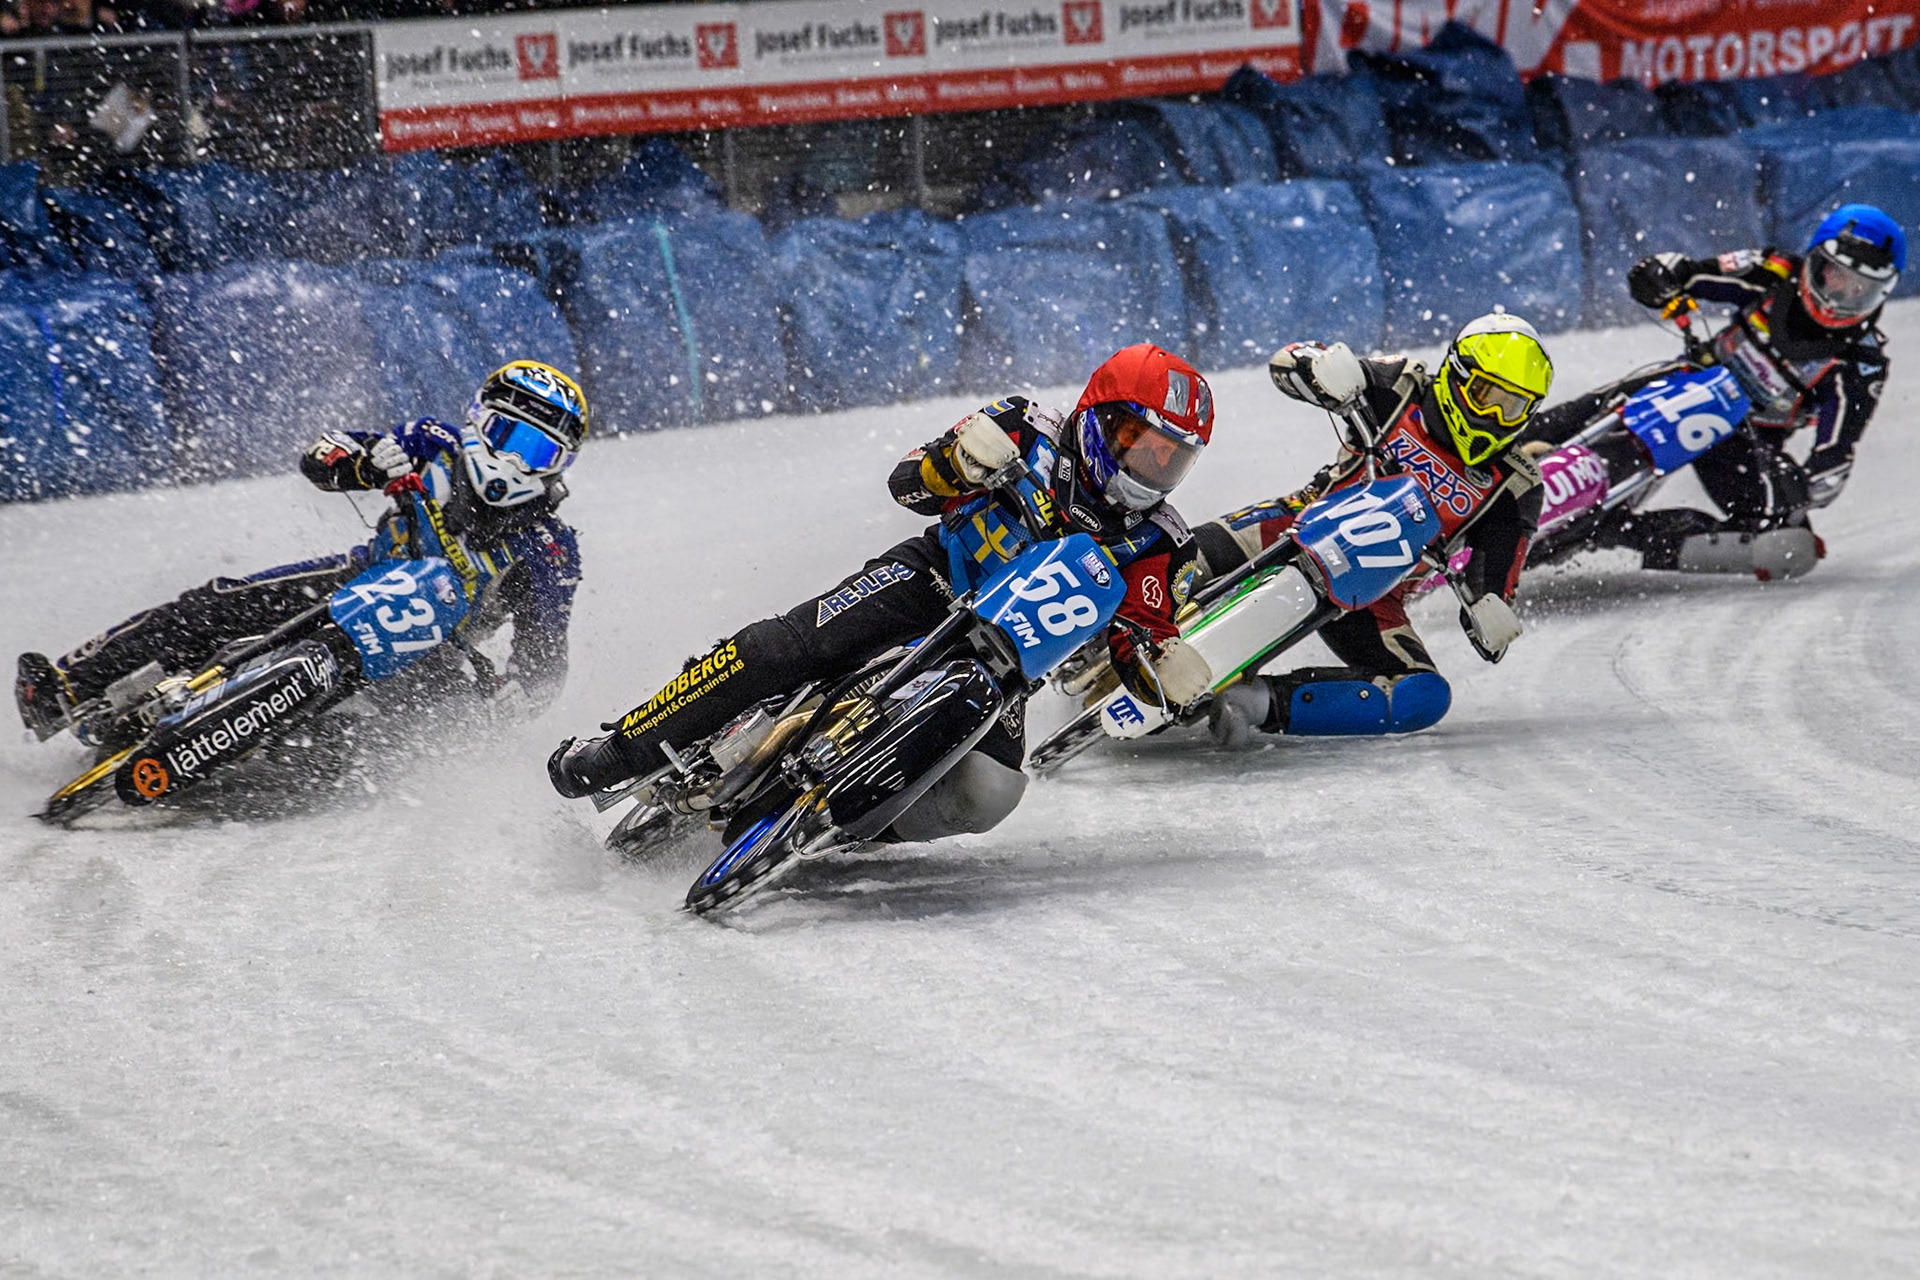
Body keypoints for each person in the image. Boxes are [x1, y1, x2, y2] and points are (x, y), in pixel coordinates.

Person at [549, 343, 1216, 842]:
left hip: (1010, 661)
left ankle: (849, 837)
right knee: (786, 647)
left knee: (990, 794)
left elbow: (1139, 631)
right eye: (1142, 443)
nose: (1151, 467)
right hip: (932, 579)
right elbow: (908, 485)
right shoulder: (1025, 425)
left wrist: (1160, 664)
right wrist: (955, 464)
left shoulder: (1161, 541)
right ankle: (619, 749)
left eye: (1172, 458)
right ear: (1102, 416)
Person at [15, 360, 587, 741]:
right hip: (356, 578)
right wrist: (364, 462)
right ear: (478, 421)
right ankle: (64, 688)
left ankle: (300, 760)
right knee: (218, 601)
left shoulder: (549, 546)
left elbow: (544, 658)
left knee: (430, 736)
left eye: (537, 452)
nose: (514, 463)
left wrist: (513, 699)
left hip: (439, 650)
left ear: (559, 466)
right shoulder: (431, 443)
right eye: (507, 437)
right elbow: (323, 453)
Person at [1201, 313, 1551, 747]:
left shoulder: (1515, 485)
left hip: (1372, 596)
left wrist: (1491, 612)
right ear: (1457, 377)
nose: (1495, 415)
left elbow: (1493, 582)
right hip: (1297, 522)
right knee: (1180, 554)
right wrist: (1317, 366)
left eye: (1512, 405)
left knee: (1422, 695)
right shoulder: (1399, 385)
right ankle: (1104, 621)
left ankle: (1256, 703)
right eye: (1485, 395)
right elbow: (1285, 365)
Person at [1526, 203, 1903, 570]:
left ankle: (1613, 531)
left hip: (1745, 443)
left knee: (1789, 549)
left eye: (1860, 291)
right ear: (1813, 261)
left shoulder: (1861, 364)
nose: (1840, 299)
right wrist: (1661, 277)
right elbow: (1693, 273)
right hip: (1689, 381)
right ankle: (1511, 441)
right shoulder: (1776, 270)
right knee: (1625, 390)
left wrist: (1800, 486)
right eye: (1835, 277)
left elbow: (1834, 456)